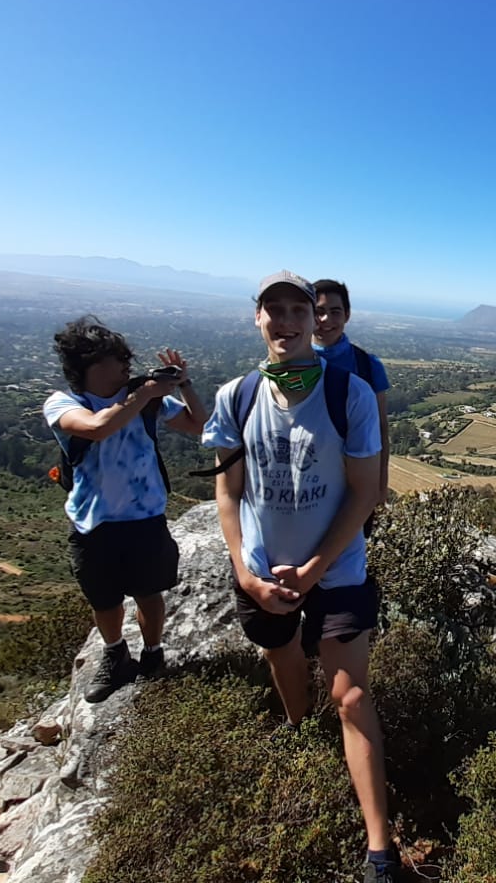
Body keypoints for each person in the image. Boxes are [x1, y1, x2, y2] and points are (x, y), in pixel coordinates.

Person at [204, 271, 400, 882]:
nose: (286, 320)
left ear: (315, 319)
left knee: (352, 695)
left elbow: (363, 493)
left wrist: (314, 569)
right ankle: (300, 734)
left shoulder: (349, 394)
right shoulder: (236, 396)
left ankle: (380, 850)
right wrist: (245, 571)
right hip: (263, 571)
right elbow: (228, 492)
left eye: (299, 309)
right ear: (257, 318)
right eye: (275, 309)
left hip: (336, 569)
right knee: (282, 656)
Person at [45, 316, 207, 703]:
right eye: (116, 359)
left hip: (145, 519)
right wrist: (144, 393)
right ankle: (115, 653)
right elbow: (96, 428)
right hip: (93, 524)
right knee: (104, 601)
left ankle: (153, 654)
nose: (125, 367)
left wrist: (183, 385)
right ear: (88, 365)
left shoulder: (146, 400)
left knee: (150, 594)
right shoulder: (64, 403)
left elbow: (200, 425)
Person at [312, 278, 392, 510]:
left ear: (347, 315)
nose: (325, 319)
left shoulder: (368, 366)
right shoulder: (293, 363)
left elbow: (380, 429)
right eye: (318, 312)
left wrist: (380, 486)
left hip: (353, 485)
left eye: (335, 312)